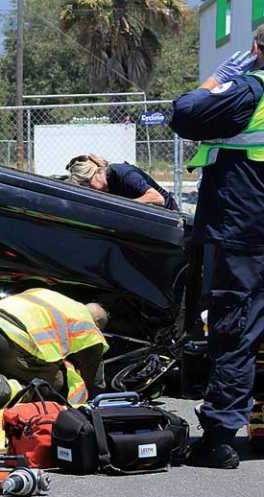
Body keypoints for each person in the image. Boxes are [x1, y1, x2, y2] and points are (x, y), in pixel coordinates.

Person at [169, 27, 264, 469]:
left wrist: (216, 79)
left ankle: (220, 437)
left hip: (245, 231)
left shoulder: (247, 91)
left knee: (234, 330)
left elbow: (184, 113)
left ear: (257, 50)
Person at [0, 289, 109, 414]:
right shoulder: (87, 324)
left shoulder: (50, 296)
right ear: (97, 324)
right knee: (56, 383)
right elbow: (91, 378)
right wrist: (93, 399)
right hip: (11, 339)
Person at [65, 154, 178, 211]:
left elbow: (157, 198)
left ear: (99, 171)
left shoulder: (124, 174)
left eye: (88, 182)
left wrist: (123, 206)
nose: (88, 188)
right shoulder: (104, 185)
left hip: (169, 215)